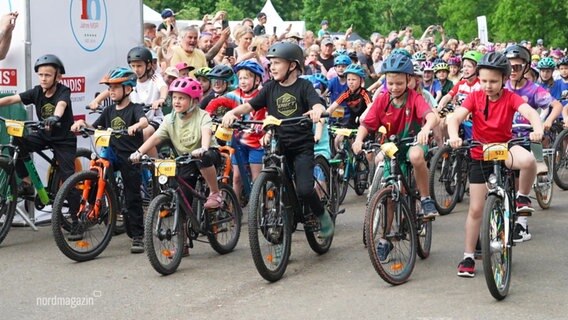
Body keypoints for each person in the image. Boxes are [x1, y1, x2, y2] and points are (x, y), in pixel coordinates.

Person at [222, 42, 334, 238]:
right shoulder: (269, 87)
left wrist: (317, 110)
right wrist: (232, 113)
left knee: (306, 189)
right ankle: (285, 213)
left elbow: (316, 103)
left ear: (292, 65)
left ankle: (321, 214)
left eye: (277, 63)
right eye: (271, 63)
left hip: (301, 147)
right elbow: (249, 107)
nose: (271, 67)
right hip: (279, 144)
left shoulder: (304, 86)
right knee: (277, 178)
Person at [447, 52, 544, 277]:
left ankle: (521, 198)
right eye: (483, 81)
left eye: (493, 81)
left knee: (528, 160)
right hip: (480, 154)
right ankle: (469, 256)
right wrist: (453, 135)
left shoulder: (510, 97)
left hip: (504, 148)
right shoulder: (474, 97)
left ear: (503, 79)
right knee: (476, 209)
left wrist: (537, 128)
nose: (487, 86)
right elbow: (455, 117)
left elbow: (529, 112)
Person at [352, 53, 439, 262]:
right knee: (391, 195)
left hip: (413, 142)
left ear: (409, 80)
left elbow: (431, 116)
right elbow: (367, 124)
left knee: (417, 155)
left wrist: (426, 129)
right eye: (390, 83)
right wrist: (358, 140)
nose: (394, 87)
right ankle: (385, 239)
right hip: (393, 147)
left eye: (399, 83)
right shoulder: (382, 99)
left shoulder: (415, 98)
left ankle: (425, 199)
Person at [71, 67, 148, 253]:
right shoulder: (109, 111)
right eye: (109, 87)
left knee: (132, 197)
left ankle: (137, 235)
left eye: (115, 87)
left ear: (128, 89)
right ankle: (87, 214)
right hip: (111, 154)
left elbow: (144, 121)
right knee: (94, 176)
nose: (111, 91)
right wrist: (83, 125)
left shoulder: (135, 108)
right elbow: (95, 127)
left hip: (129, 157)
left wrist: (136, 126)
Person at [131, 77, 223, 211]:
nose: (176, 101)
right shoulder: (170, 119)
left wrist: (203, 148)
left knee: (204, 157)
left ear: (194, 101)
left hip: (208, 154)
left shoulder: (202, 116)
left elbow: (206, 133)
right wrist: (139, 152)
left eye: (182, 98)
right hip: (186, 159)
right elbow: (155, 138)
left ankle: (215, 193)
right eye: (174, 98)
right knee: (183, 201)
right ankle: (185, 226)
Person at [504, 45, 563, 242]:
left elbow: (556, 105)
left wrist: (546, 122)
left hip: (527, 136)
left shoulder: (533, 89)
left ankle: (522, 224)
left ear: (526, 67)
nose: (513, 71)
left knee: (523, 175)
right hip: (504, 138)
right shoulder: (501, 87)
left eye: (517, 67)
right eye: (509, 66)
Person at [0, 54, 76, 200]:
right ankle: (27, 183)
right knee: (16, 143)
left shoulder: (63, 91)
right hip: (44, 135)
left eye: (47, 75)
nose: (43, 78)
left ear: (57, 77)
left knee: (68, 180)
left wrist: (55, 117)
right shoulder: (36, 91)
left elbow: (61, 104)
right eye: (40, 75)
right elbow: (12, 99)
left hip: (64, 139)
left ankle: (75, 219)